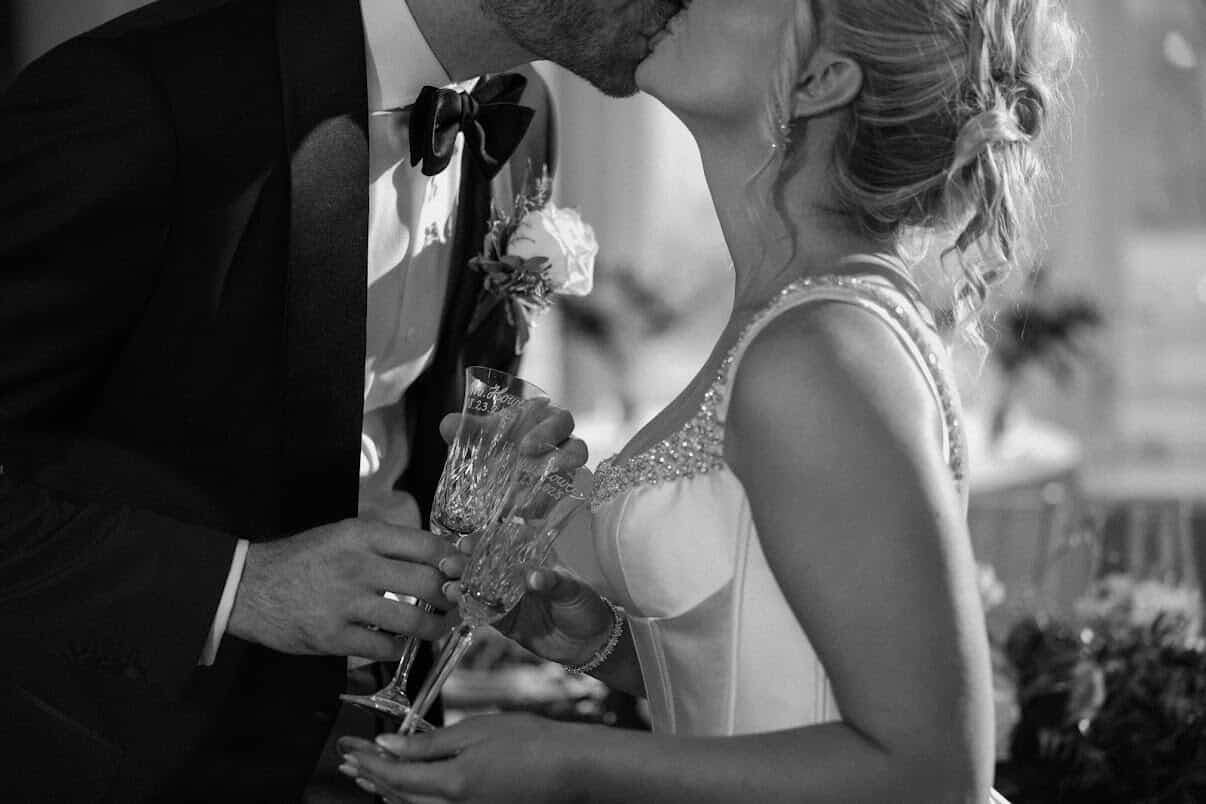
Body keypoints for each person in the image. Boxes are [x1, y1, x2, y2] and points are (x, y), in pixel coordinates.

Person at [336, 0, 1076, 801]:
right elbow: (778, 685)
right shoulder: (797, 323)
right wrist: (610, 651)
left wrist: (570, 767)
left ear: (821, 79)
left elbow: (932, 774)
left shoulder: (820, 352)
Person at [0, 0, 678, 799]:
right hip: (115, 754)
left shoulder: (520, 116)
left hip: (379, 737)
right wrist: (240, 586)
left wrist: (507, 485)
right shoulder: (137, 96)